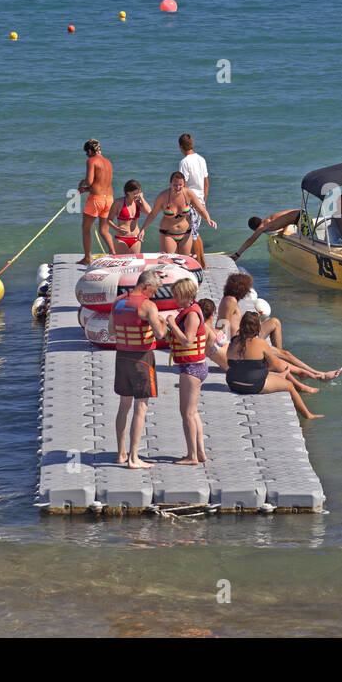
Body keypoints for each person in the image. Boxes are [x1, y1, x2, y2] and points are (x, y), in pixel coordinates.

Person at [216, 273, 341, 381]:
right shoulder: (230, 301)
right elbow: (222, 326)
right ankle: (319, 374)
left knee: (274, 322)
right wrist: (229, 348)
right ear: (241, 288)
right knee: (286, 354)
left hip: (246, 336)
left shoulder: (229, 299)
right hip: (242, 341)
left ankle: (275, 359)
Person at [108, 269, 168, 469]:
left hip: (121, 356)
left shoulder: (118, 302)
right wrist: (163, 322)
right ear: (147, 286)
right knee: (140, 407)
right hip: (141, 358)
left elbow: (111, 331)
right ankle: (134, 458)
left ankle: (121, 453)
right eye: (155, 290)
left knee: (123, 405)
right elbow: (160, 335)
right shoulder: (147, 306)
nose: (155, 294)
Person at [225, 312, 323, 419]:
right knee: (289, 385)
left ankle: (280, 377)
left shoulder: (234, 340)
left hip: (232, 383)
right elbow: (273, 365)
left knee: (253, 370)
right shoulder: (261, 343)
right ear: (257, 327)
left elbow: (230, 360)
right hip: (253, 386)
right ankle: (308, 415)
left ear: (242, 325)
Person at [161, 278, 209, 465]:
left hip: (192, 367)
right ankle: (200, 452)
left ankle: (192, 456)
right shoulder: (191, 310)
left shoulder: (192, 315)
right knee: (193, 412)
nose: (174, 297)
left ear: (186, 295)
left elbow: (188, 341)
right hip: (194, 366)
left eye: (176, 294)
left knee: (187, 413)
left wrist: (172, 324)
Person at [139, 172, 216, 257]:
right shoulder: (162, 196)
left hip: (186, 233)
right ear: (170, 183)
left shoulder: (188, 194)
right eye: (175, 185)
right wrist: (143, 229)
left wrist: (208, 219)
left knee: (184, 260)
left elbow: (200, 209)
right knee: (171, 260)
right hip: (168, 234)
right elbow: (153, 214)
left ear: (184, 184)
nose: (178, 187)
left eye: (180, 185)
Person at [77, 139, 116, 264]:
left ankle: (87, 258)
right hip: (109, 199)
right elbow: (102, 183)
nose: (87, 155)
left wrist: (82, 184)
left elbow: (90, 181)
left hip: (96, 200)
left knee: (86, 228)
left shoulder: (92, 161)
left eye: (86, 153)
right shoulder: (108, 162)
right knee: (104, 231)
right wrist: (87, 190)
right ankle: (114, 254)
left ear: (89, 151)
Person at [177, 134, 210, 267]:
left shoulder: (184, 162)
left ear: (180, 146)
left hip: (190, 201)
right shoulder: (201, 159)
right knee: (194, 232)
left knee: (192, 233)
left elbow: (181, 184)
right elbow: (206, 182)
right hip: (200, 200)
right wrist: (203, 203)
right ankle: (201, 262)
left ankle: (200, 263)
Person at [228, 209, 301, 261]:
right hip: (299, 213)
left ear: (255, 229)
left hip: (301, 218)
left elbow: (250, 240)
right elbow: (286, 220)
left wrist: (237, 254)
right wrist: (282, 231)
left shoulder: (262, 226)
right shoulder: (268, 220)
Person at [107, 180, 150, 256]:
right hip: (121, 238)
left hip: (136, 238)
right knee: (122, 264)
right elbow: (108, 220)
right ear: (128, 192)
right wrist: (116, 229)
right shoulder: (118, 202)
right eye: (134, 193)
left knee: (135, 263)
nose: (137, 195)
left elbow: (149, 212)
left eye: (138, 193)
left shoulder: (138, 203)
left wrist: (142, 198)